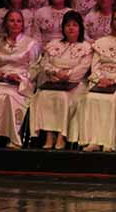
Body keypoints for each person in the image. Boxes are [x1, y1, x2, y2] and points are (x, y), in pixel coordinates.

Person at [75, 7, 116, 152]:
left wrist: (114, 80)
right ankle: (93, 140)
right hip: (102, 80)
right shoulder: (102, 42)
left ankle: (108, 142)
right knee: (91, 97)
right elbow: (95, 65)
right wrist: (101, 79)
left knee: (112, 99)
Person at [0, 9, 40, 148]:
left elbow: (34, 67)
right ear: (6, 23)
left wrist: (21, 77)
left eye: (19, 21)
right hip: (1, 79)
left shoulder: (31, 43)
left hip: (20, 82)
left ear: (22, 24)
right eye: (12, 20)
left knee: (10, 95)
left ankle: (13, 137)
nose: (15, 24)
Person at [31, 11, 92, 150]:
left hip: (75, 84)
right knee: (44, 96)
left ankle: (61, 135)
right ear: (63, 27)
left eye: (74, 25)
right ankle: (49, 134)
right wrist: (56, 73)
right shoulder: (54, 44)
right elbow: (45, 64)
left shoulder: (86, 47)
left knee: (64, 98)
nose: (71, 28)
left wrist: (67, 75)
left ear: (80, 28)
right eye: (68, 25)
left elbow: (83, 68)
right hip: (54, 82)